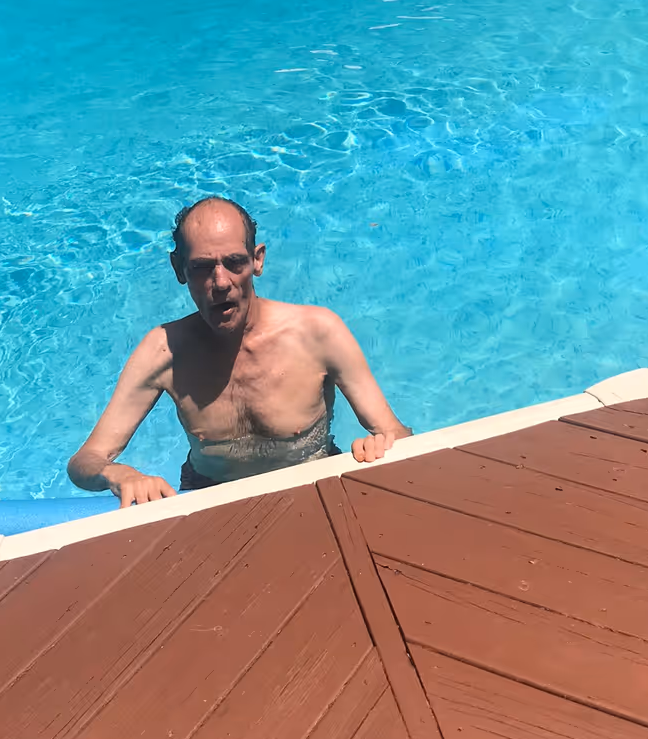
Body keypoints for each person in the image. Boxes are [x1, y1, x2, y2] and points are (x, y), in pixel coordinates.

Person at [68, 196, 412, 508]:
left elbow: (397, 433)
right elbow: (86, 461)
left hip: (316, 485)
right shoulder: (164, 351)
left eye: (234, 262)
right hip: (209, 499)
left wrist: (379, 445)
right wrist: (120, 476)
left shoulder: (318, 333)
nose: (220, 282)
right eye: (202, 267)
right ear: (178, 269)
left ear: (257, 260)